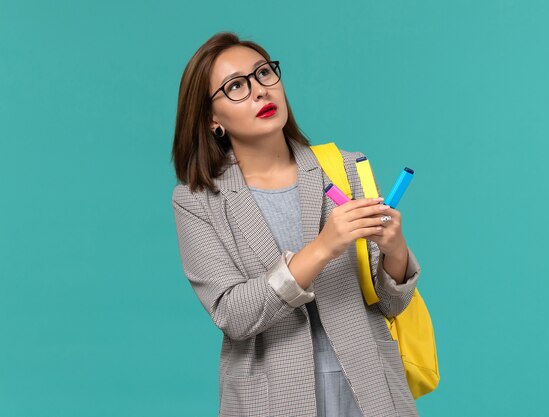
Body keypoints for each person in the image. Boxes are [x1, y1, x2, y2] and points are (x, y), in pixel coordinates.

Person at [171, 31, 421, 417]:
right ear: (212, 119)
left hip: (371, 392)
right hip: (269, 401)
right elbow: (234, 315)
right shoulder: (197, 201)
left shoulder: (345, 168)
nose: (259, 91)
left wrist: (395, 248)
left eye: (264, 74)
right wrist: (323, 248)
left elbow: (391, 302)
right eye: (236, 85)